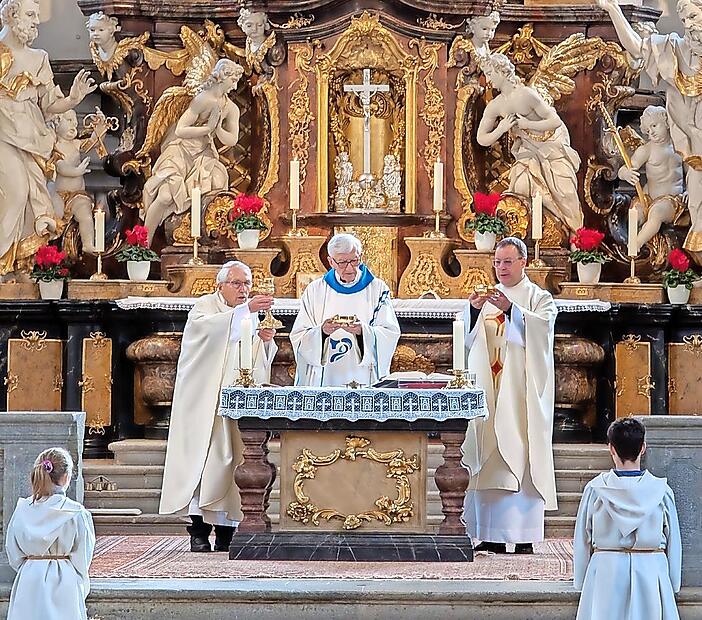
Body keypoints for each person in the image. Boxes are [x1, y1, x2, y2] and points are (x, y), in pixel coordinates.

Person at [159, 260, 278, 552]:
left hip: (235, 401)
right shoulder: (205, 308)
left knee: (233, 464)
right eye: (237, 283)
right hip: (205, 404)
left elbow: (252, 361)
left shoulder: (246, 316)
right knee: (205, 463)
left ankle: (227, 530)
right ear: (220, 285)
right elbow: (204, 336)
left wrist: (264, 342)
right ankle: (198, 531)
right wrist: (244, 313)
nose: (243, 289)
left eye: (247, 283)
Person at [461, 236, 558, 554]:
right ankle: (488, 533)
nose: (501, 268)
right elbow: (467, 341)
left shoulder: (539, 298)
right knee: (488, 452)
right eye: (497, 262)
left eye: (507, 262)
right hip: (490, 389)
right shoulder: (487, 298)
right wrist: (474, 312)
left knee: (519, 452)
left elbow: (542, 337)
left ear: (523, 262)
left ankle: (523, 534)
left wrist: (514, 311)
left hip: (520, 395)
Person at [0, 0, 96, 279]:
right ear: (11, 15)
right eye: (30, 15)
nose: (35, 21)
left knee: (30, 197)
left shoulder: (39, 57)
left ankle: (15, 265)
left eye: (37, 16)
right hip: (3, 131)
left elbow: (49, 104)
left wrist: (74, 99)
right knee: (16, 192)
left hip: (31, 134)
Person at [598, 0, 702, 255]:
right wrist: (614, 10)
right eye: (685, 20)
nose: (688, 25)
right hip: (695, 150)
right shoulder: (674, 49)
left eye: (692, 17)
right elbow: (635, 47)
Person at [573, 418, 682, 620]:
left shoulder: (595, 490)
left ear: (611, 449)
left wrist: (581, 579)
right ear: (643, 448)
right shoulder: (661, 491)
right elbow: (674, 538)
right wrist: (673, 582)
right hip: (651, 568)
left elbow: (582, 537)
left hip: (606, 568)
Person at [477, 53, 583, 234]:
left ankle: (576, 237)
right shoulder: (495, 105)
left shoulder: (526, 94)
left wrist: (528, 124)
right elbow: (481, 138)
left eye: (489, 73)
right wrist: (501, 129)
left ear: (501, 72)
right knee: (521, 185)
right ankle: (535, 235)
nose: (487, 80)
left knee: (565, 193)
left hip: (552, 145)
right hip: (527, 151)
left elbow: (554, 121)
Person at [142, 58, 244, 245]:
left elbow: (232, 139)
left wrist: (217, 129)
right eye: (233, 81)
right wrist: (207, 129)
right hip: (180, 151)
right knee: (165, 195)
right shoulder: (202, 99)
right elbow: (181, 130)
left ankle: (201, 239)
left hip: (204, 154)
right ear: (222, 78)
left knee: (217, 180)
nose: (235, 86)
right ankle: (144, 245)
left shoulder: (231, 108)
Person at [290, 232, 400, 387]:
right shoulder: (315, 290)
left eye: (354, 260)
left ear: (360, 256)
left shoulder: (377, 289)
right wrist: (321, 332)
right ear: (331, 262)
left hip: (363, 373)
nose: (349, 268)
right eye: (342, 262)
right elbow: (299, 335)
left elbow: (390, 333)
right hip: (326, 375)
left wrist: (363, 332)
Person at [5, 447, 95, 620]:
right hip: (64, 579)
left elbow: (13, 552)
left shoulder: (23, 510)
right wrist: (80, 580)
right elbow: (83, 555)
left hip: (29, 578)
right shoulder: (76, 513)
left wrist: (31, 566)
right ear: (67, 477)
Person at [617, 105, 685, 248]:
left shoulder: (680, 146)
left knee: (656, 214)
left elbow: (693, 172)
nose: (652, 132)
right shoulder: (646, 150)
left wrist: (689, 191)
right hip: (647, 197)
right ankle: (630, 246)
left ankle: (635, 246)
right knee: (635, 214)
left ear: (666, 123)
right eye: (648, 130)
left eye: (654, 125)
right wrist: (626, 173)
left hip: (671, 200)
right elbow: (624, 169)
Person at [49, 109, 98, 254]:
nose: (74, 123)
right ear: (57, 123)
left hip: (78, 195)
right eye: (69, 120)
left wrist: (99, 127)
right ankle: (48, 251)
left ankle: (88, 244)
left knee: (86, 215)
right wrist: (77, 171)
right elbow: (61, 167)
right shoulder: (54, 147)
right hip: (58, 195)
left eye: (75, 121)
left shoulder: (76, 144)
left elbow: (93, 142)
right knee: (53, 217)